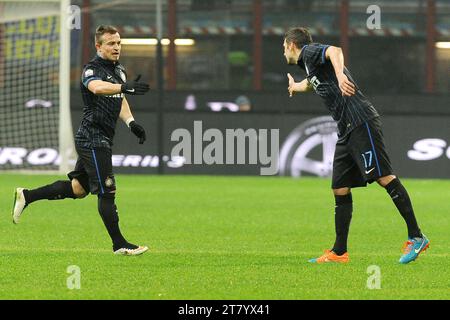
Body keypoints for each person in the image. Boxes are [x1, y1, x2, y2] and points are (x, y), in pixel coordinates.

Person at [283, 27, 429, 264]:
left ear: (291, 44)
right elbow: (313, 83)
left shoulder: (309, 52)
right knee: (340, 188)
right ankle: (339, 252)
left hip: (360, 121)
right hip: (346, 129)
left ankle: (417, 236)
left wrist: (341, 75)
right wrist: (296, 87)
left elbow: (335, 51)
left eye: (283, 47)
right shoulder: (310, 66)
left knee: (384, 177)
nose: (283, 53)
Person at [12, 25, 150, 256]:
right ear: (99, 46)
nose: (116, 47)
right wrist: (123, 86)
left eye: (118, 43)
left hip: (104, 136)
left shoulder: (120, 70)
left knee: (78, 189)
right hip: (92, 138)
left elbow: (120, 98)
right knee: (107, 191)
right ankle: (119, 244)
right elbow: (97, 88)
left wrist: (131, 123)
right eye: (111, 43)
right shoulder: (90, 69)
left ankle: (27, 195)